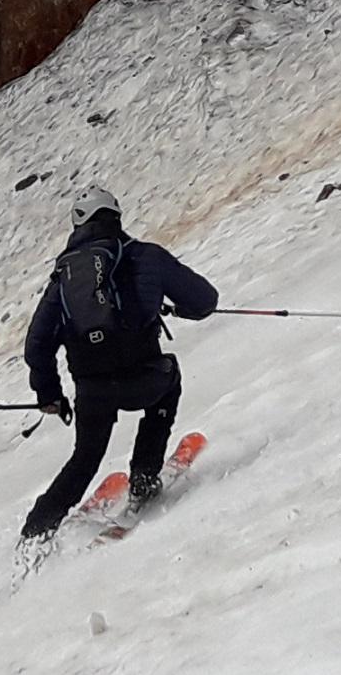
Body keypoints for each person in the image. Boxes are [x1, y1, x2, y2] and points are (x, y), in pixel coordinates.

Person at [20, 185, 217, 541]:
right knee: (169, 382)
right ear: (116, 217)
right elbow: (205, 300)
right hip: (145, 379)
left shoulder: (65, 278)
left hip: (93, 392)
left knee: (85, 458)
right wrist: (176, 309)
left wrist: (50, 395)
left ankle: (35, 532)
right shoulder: (145, 256)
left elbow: (37, 345)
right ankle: (143, 479)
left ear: (78, 225)